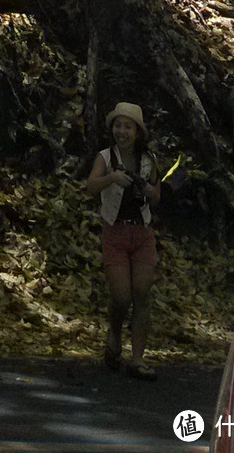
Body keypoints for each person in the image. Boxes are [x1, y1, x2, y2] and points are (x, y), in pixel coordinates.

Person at [85, 101, 161, 379]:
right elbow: (89, 187)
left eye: (127, 127)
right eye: (118, 126)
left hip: (142, 232)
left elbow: (157, 196)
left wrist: (148, 188)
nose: (122, 131)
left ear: (137, 132)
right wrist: (112, 178)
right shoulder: (105, 157)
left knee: (142, 296)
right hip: (114, 232)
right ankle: (114, 333)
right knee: (121, 297)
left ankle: (137, 358)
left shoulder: (149, 160)